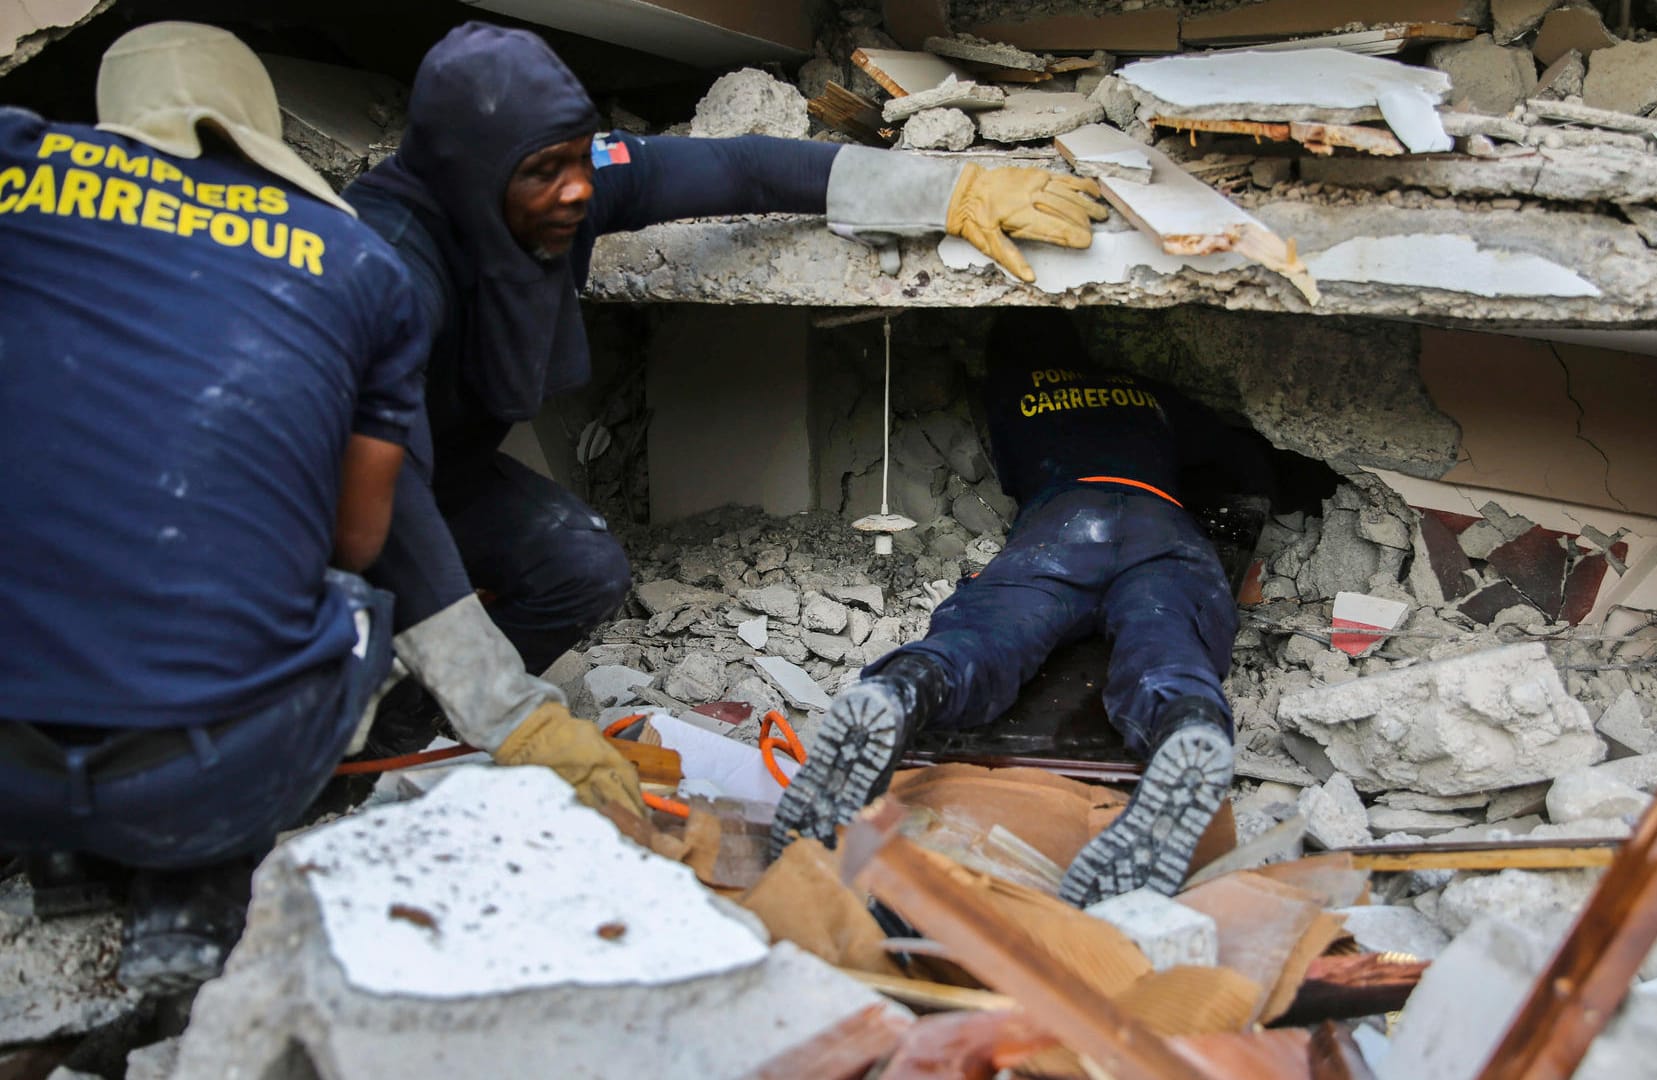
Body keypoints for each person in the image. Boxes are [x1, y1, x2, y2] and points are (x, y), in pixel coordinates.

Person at [339, 22, 1110, 795]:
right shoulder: (384, 266)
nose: (578, 187)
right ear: (468, 176)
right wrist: (512, 715)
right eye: (548, 170)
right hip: (337, 499)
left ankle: (394, 734)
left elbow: (740, 167)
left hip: (444, 465)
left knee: (580, 568)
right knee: (349, 634)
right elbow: (391, 514)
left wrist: (947, 191)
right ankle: (331, 744)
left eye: (580, 156)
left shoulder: (543, 184)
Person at [0, 23, 429, 991]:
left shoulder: (19, 163)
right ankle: (191, 887)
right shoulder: (362, 265)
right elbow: (358, 539)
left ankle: (58, 854)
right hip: (196, 776)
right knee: (359, 610)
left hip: (8, 769)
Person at [775, 309, 1274, 907]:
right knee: (1167, 637)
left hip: (1063, 521)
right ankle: (1186, 725)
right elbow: (1243, 461)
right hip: (1158, 520)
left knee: (991, 629)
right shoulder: (1147, 393)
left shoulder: (1009, 392)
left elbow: (1017, 473)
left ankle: (905, 688)